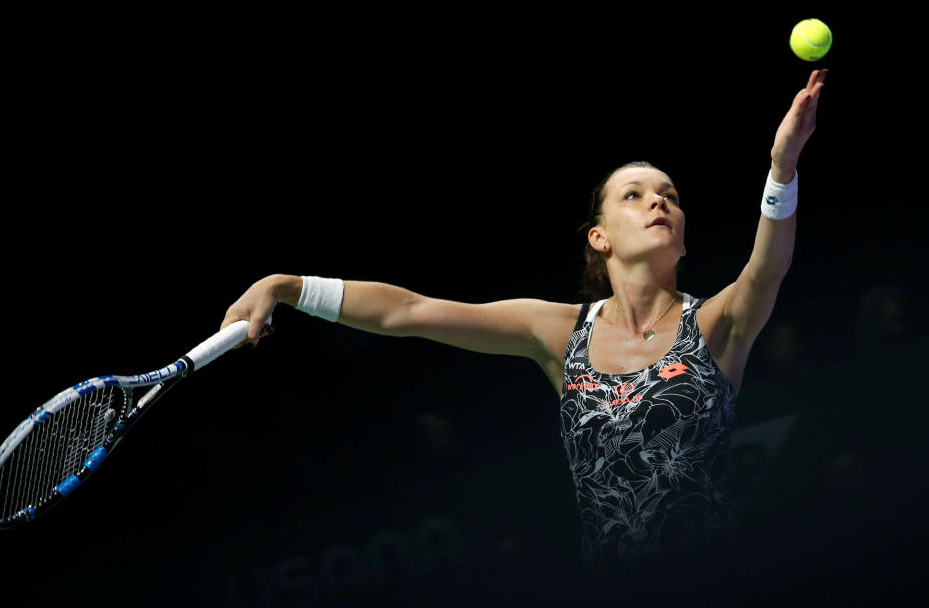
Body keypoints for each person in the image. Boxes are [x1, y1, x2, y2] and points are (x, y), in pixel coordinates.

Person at [220, 70, 827, 576]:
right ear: (600, 238)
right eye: (634, 196)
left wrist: (782, 167)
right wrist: (289, 286)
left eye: (668, 193)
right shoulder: (559, 333)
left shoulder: (717, 323)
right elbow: (408, 311)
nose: (659, 202)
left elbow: (766, 267)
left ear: (684, 236)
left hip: (725, 591)